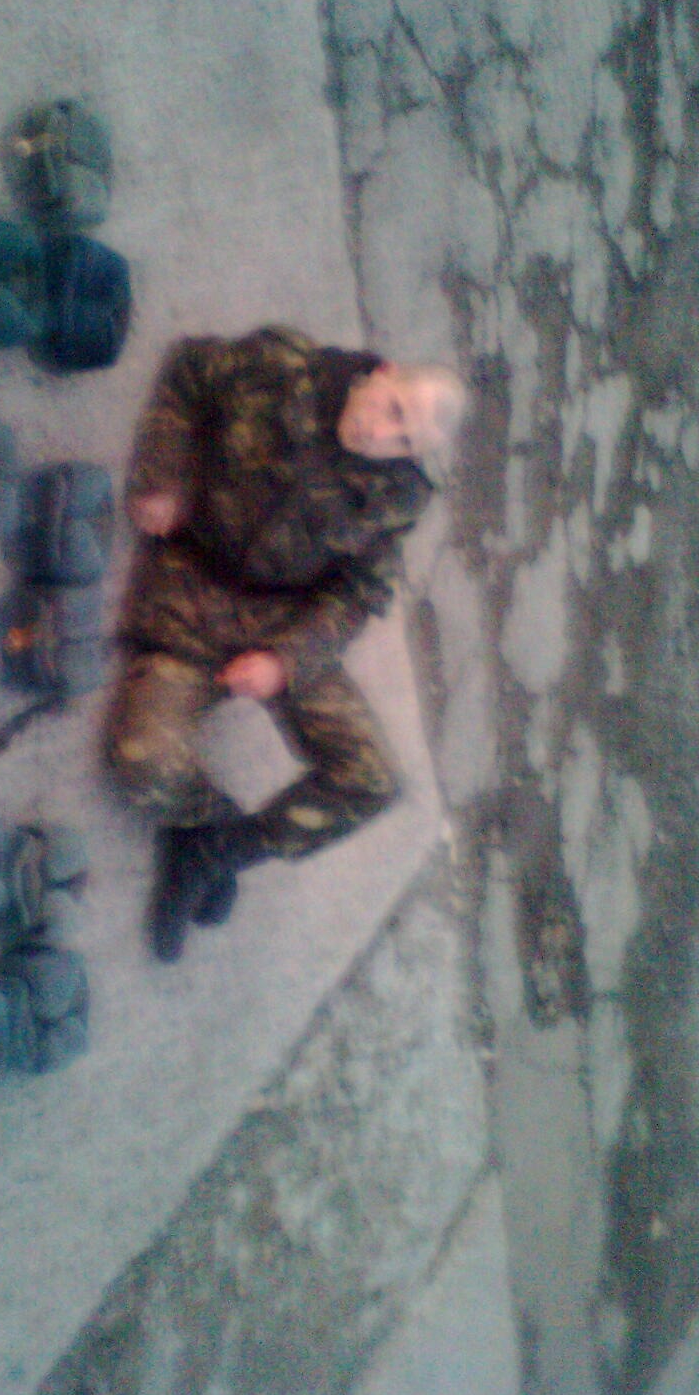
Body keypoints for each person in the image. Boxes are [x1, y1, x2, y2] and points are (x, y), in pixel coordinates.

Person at [103, 325, 468, 961]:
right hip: (191, 590)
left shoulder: (396, 498)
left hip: (281, 623)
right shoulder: (280, 366)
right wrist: (162, 478)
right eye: (393, 409)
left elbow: (359, 593)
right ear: (381, 373)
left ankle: (217, 855)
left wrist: (286, 661)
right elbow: (189, 369)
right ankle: (204, 820)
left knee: (370, 780)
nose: (382, 436)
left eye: (406, 441)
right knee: (142, 762)